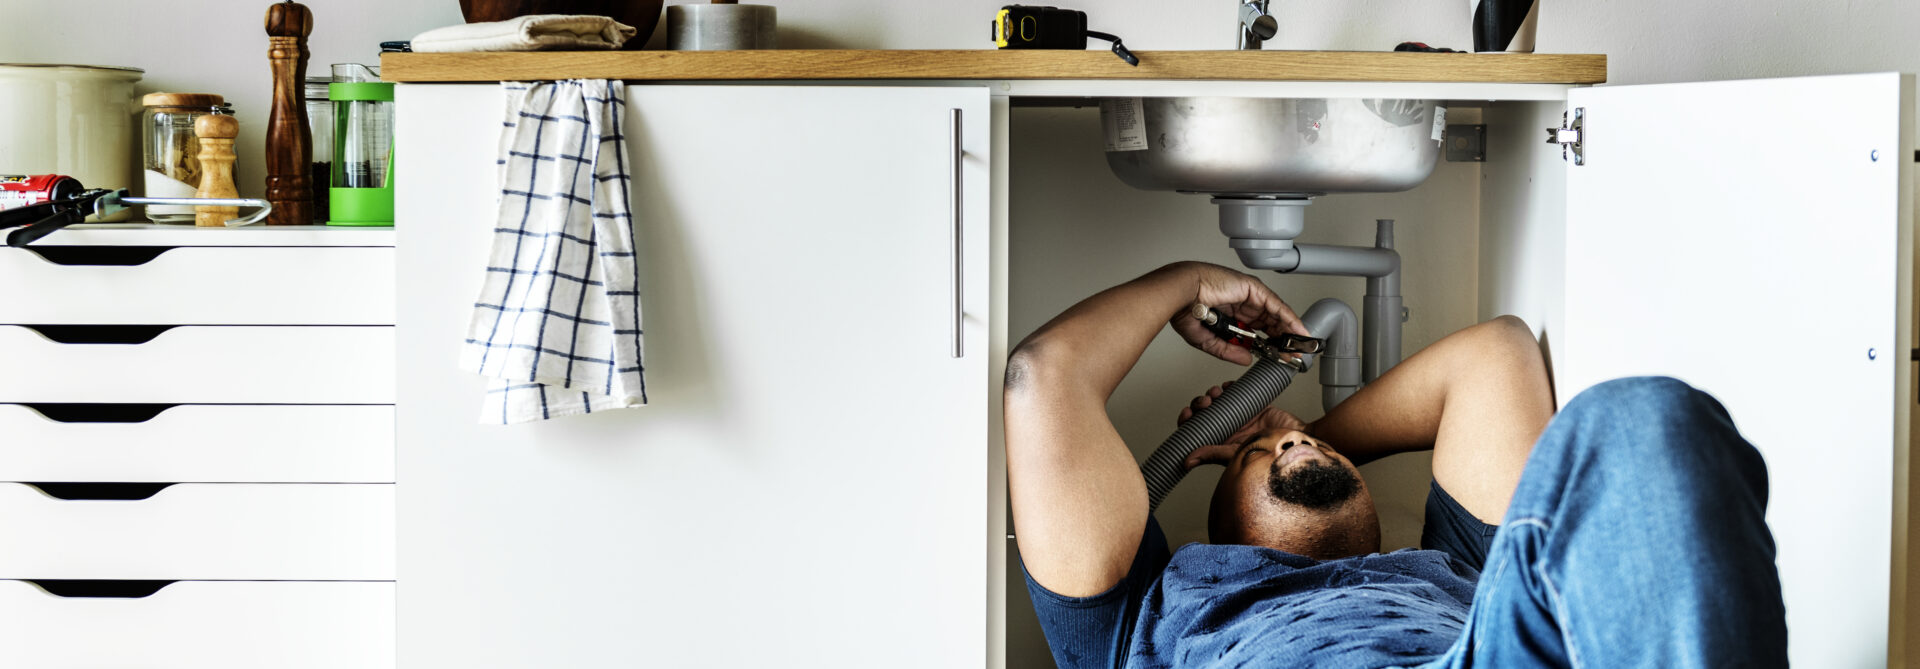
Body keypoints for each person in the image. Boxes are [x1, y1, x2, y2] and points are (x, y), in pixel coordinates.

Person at [1004, 261, 1787, 668]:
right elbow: (1044, 377)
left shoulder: (1454, 568)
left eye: (1301, 446)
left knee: (1641, 419)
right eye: (1255, 455)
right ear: (1216, 531)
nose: (1293, 448)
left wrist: (1302, 429)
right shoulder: (1141, 616)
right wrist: (1186, 280)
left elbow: (1495, 354)